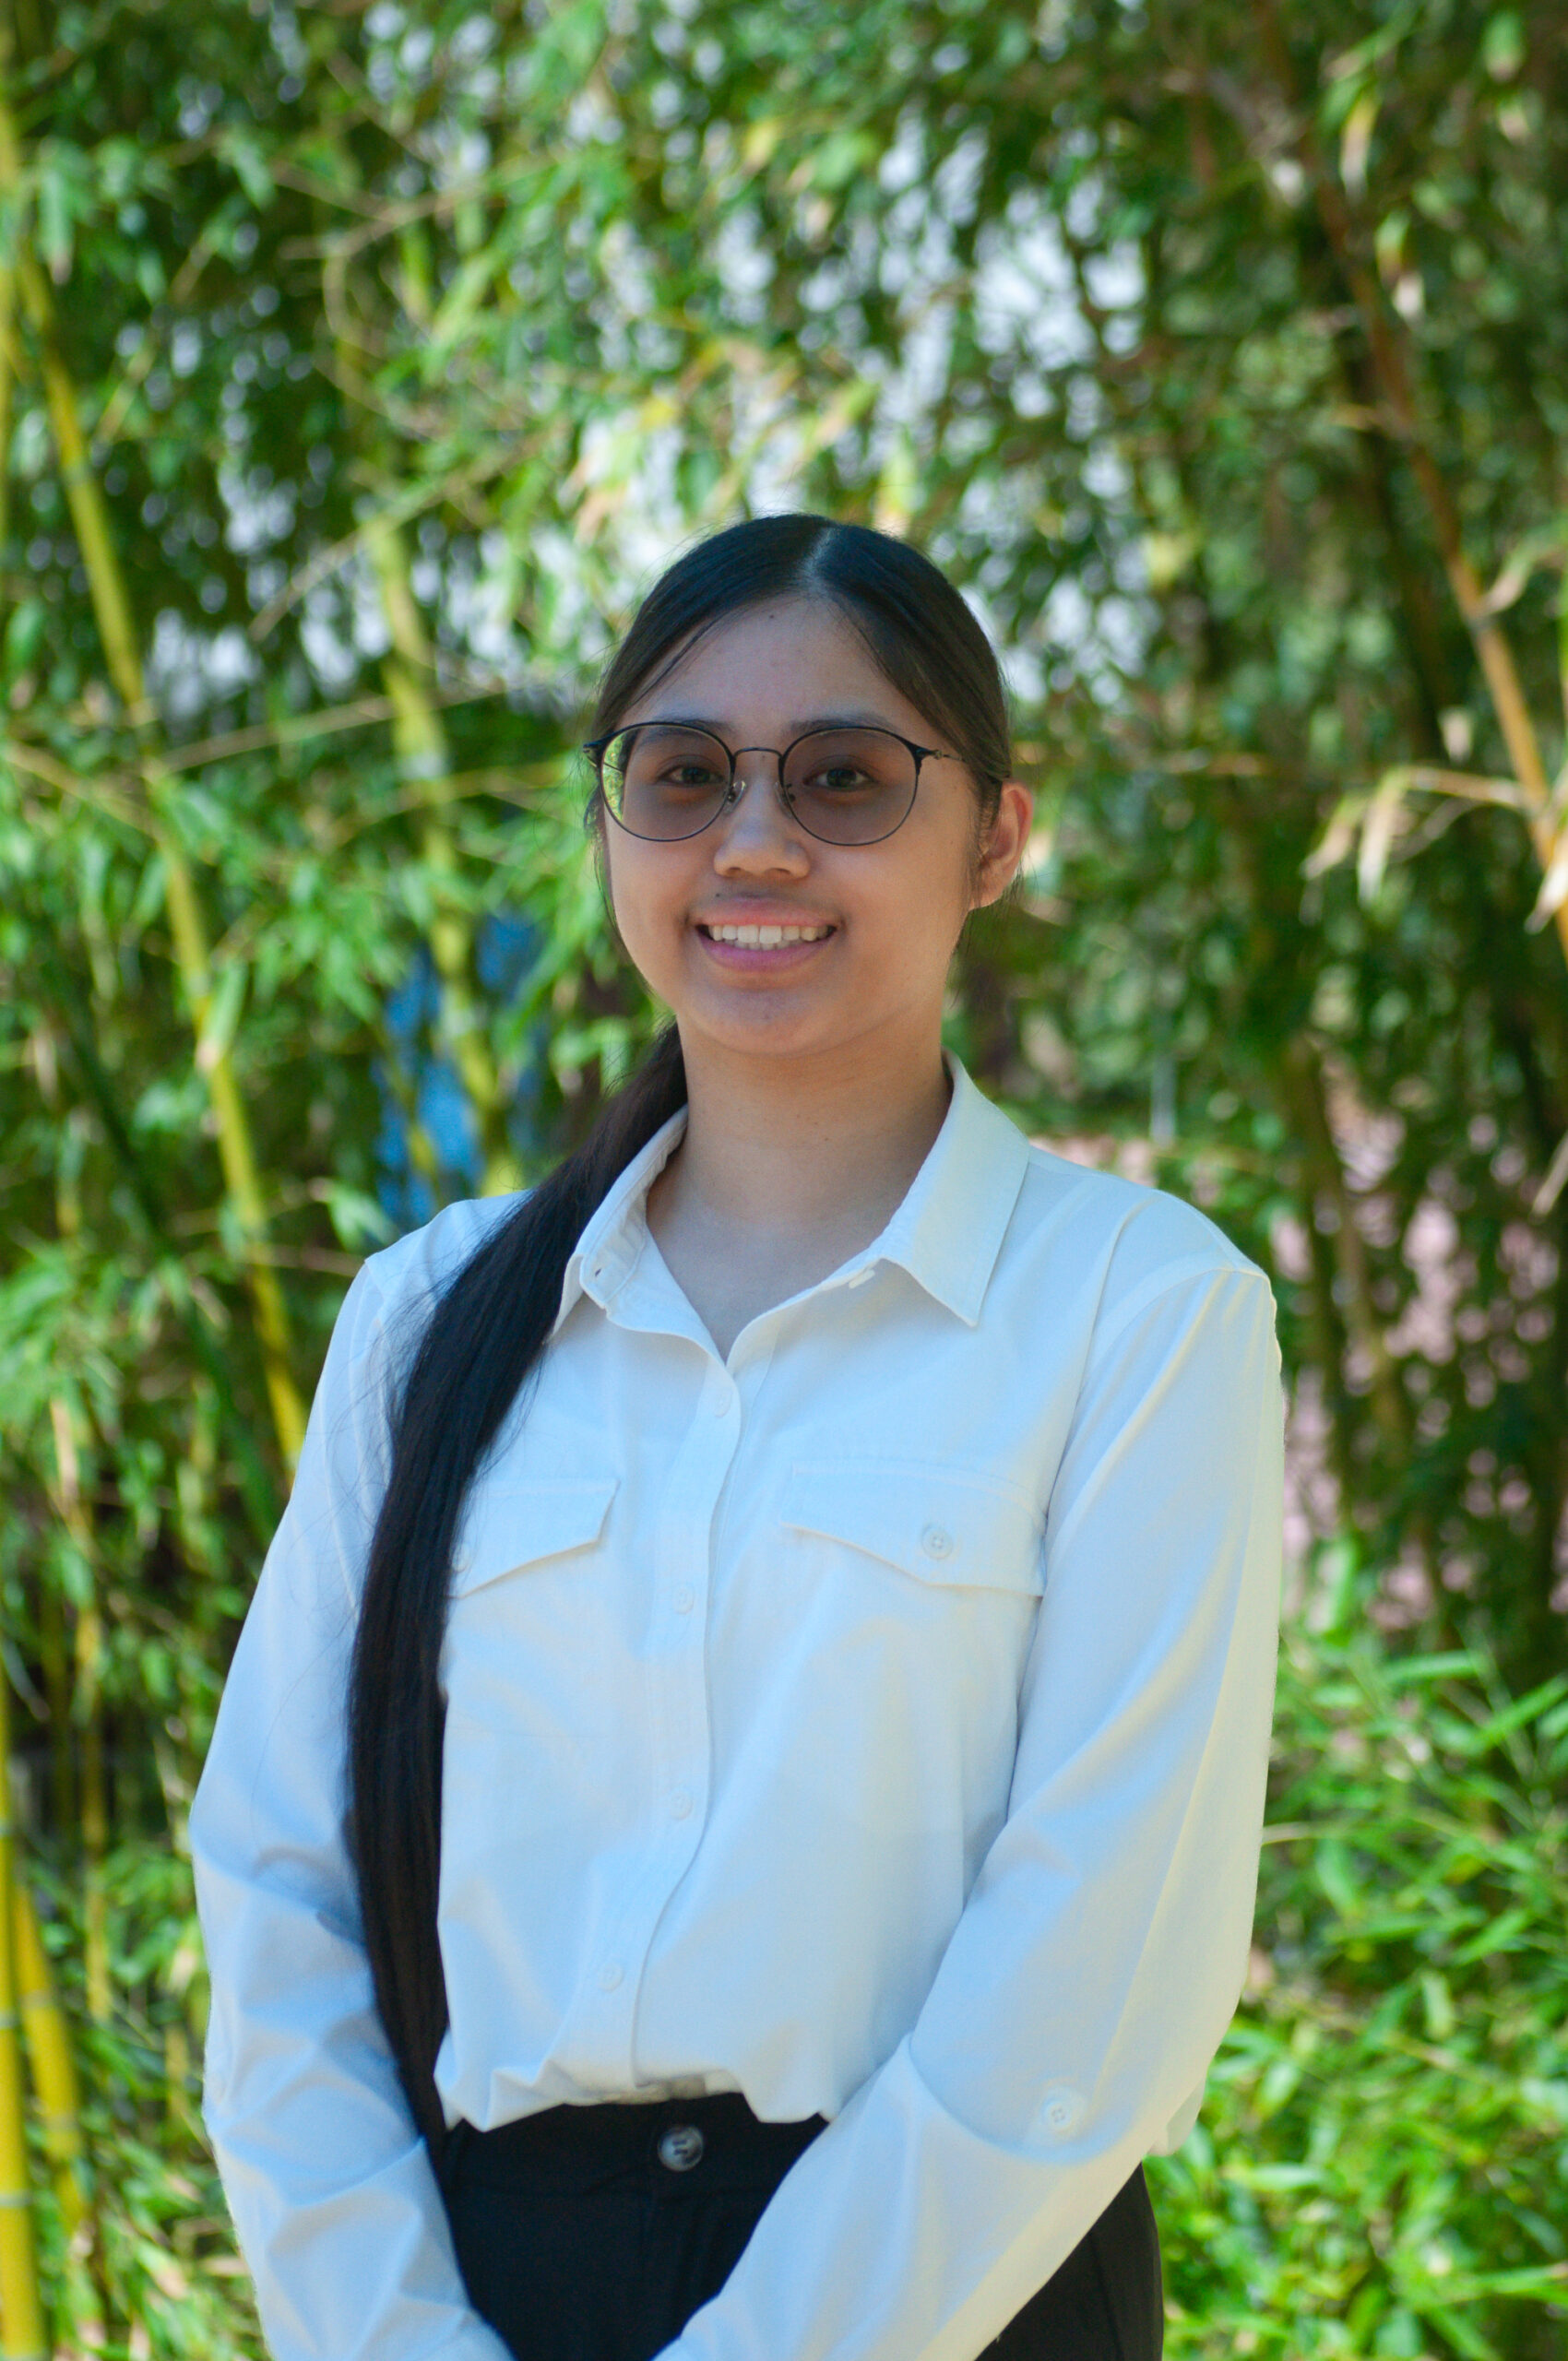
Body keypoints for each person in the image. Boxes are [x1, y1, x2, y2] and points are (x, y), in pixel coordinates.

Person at [190, 513, 1284, 2361]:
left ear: (996, 837)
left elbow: (1096, 1975)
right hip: (487, 2300)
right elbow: (278, 1890)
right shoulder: (428, 1318)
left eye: (845, 777)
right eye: (684, 773)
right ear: (611, 821)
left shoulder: (1139, 1313)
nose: (755, 840)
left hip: (963, 2301)